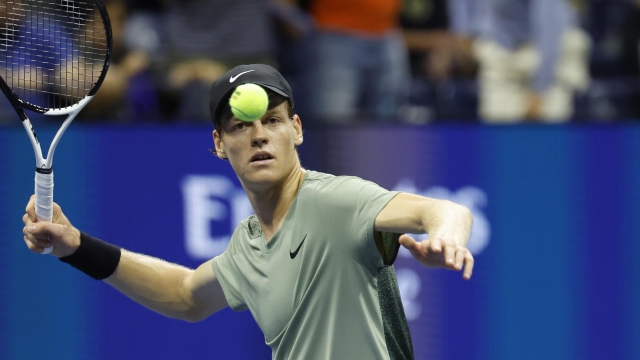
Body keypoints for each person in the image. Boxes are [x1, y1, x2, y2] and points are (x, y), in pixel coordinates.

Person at [21, 64, 474, 359]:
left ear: (295, 130)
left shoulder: (334, 200)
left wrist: (446, 237)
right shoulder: (249, 243)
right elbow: (184, 295)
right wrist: (76, 247)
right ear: (220, 145)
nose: (259, 135)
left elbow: (442, 209)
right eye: (240, 126)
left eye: (272, 120)